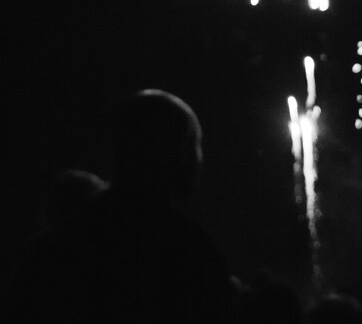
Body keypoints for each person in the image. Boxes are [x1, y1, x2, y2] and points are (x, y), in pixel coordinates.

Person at [2, 89, 235, 323]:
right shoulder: (193, 256)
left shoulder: (54, 249)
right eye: (197, 145)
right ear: (180, 150)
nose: (201, 159)